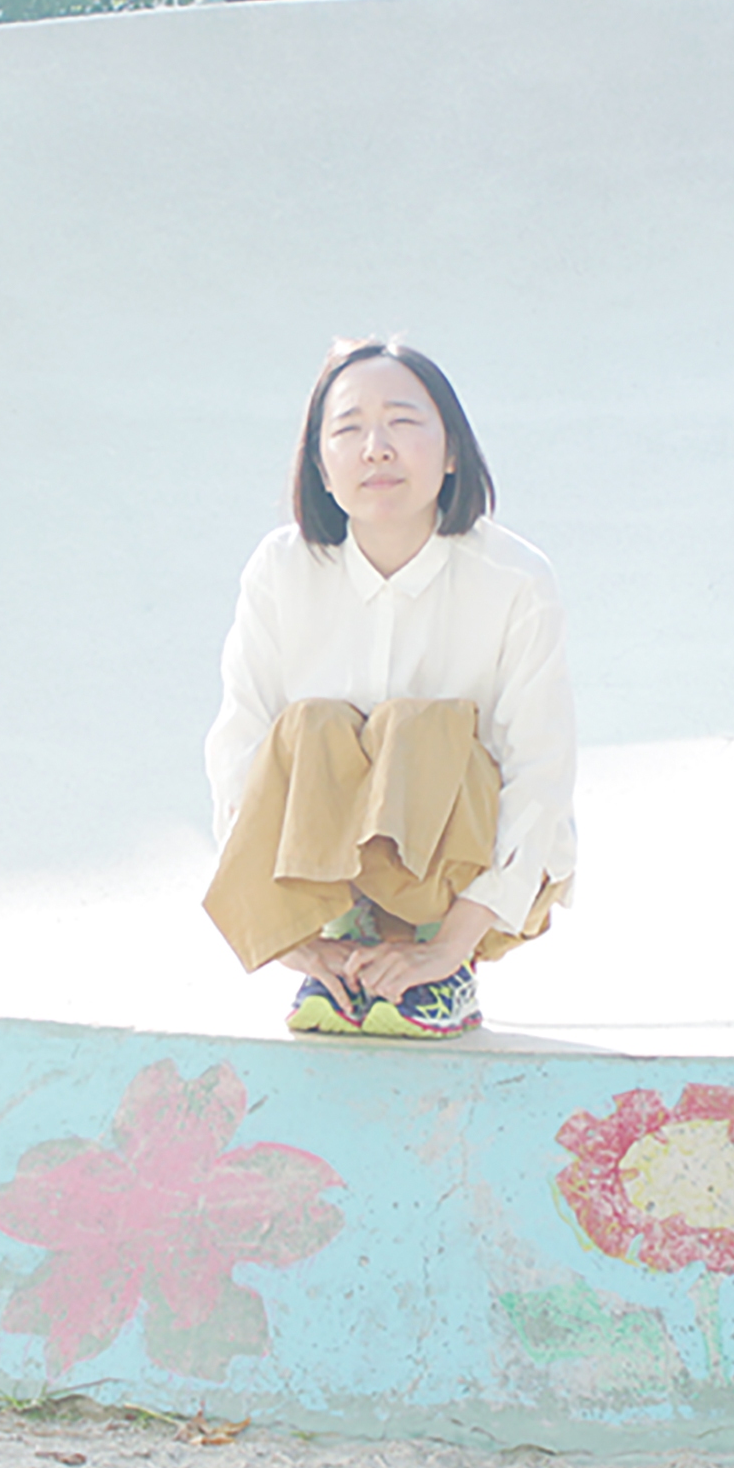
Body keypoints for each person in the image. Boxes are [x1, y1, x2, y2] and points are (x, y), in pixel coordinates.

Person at [203, 339, 576, 1038]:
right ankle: (343, 958)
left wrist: (449, 946)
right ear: (321, 466)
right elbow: (239, 749)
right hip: (323, 912)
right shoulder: (280, 570)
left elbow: (541, 773)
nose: (376, 448)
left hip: (463, 899)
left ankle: (432, 967)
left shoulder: (516, 579)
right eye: (348, 429)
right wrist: (290, 940)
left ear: (452, 451)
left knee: (418, 730)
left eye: (403, 422)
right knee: (311, 727)